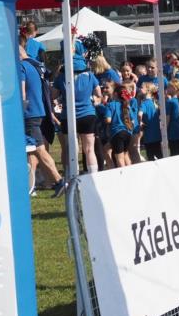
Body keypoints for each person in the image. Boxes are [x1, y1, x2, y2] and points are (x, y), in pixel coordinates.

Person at [18, 36, 65, 196]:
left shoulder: (21, 67)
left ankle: (59, 181)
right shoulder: (35, 65)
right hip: (38, 111)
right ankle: (31, 186)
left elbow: (22, 93)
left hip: (28, 114)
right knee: (32, 150)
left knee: (39, 149)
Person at [56, 43, 102, 174]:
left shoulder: (61, 76)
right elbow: (98, 94)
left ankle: (70, 176)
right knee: (89, 149)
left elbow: (53, 94)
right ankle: (93, 175)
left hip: (68, 115)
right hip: (87, 114)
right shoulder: (89, 75)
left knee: (70, 148)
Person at [105, 84, 137, 168]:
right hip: (128, 133)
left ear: (115, 94)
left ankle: (123, 177)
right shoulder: (127, 106)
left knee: (119, 158)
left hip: (117, 133)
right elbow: (133, 120)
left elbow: (108, 120)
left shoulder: (110, 105)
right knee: (126, 154)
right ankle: (130, 173)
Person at [138, 82, 163, 160]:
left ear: (148, 90)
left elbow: (139, 114)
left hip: (148, 136)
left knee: (150, 157)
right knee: (160, 155)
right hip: (157, 134)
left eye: (142, 87)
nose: (139, 89)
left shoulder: (144, 103)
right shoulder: (155, 102)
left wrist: (140, 122)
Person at [164, 79, 179, 156]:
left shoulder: (170, 102)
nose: (166, 89)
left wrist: (164, 131)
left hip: (173, 132)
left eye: (168, 87)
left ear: (174, 88)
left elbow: (167, 119)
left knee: (174, 153)